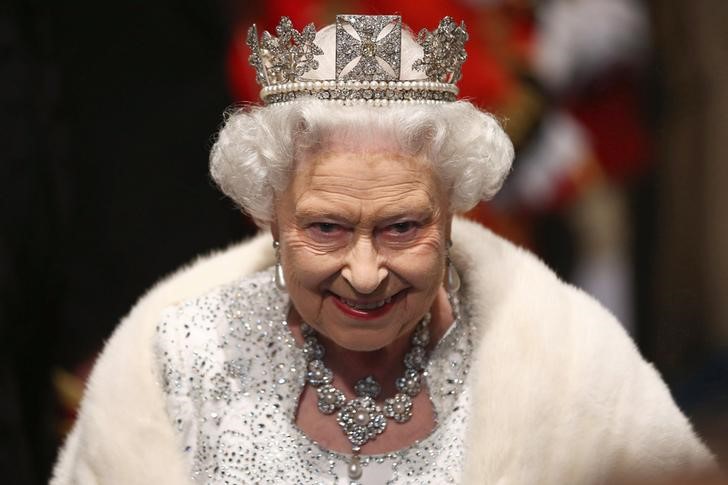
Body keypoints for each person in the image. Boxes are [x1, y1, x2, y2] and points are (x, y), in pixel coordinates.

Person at [51, 14, 716, 484]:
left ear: (454, 216)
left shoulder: (567, 350)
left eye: (402, 227)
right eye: (326, 228)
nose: (365, 275)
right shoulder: (170, 363)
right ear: (270, 219)